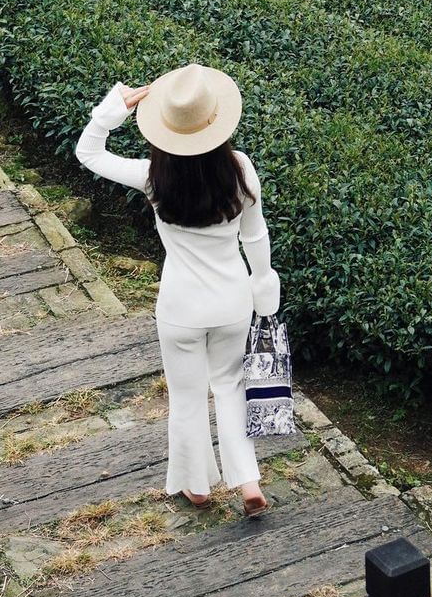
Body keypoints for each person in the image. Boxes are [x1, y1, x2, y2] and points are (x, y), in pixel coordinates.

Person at [75, 63, 279, 517]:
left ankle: (197, 486)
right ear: (216, 121)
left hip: (180, 305)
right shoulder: (241, 170)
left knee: (186, 396)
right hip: (232, 302)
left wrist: (111, 112)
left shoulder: (154, 177)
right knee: (230, 387)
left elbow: (89, 154)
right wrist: (263, 284)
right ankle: (247, 481)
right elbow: (255, 236)